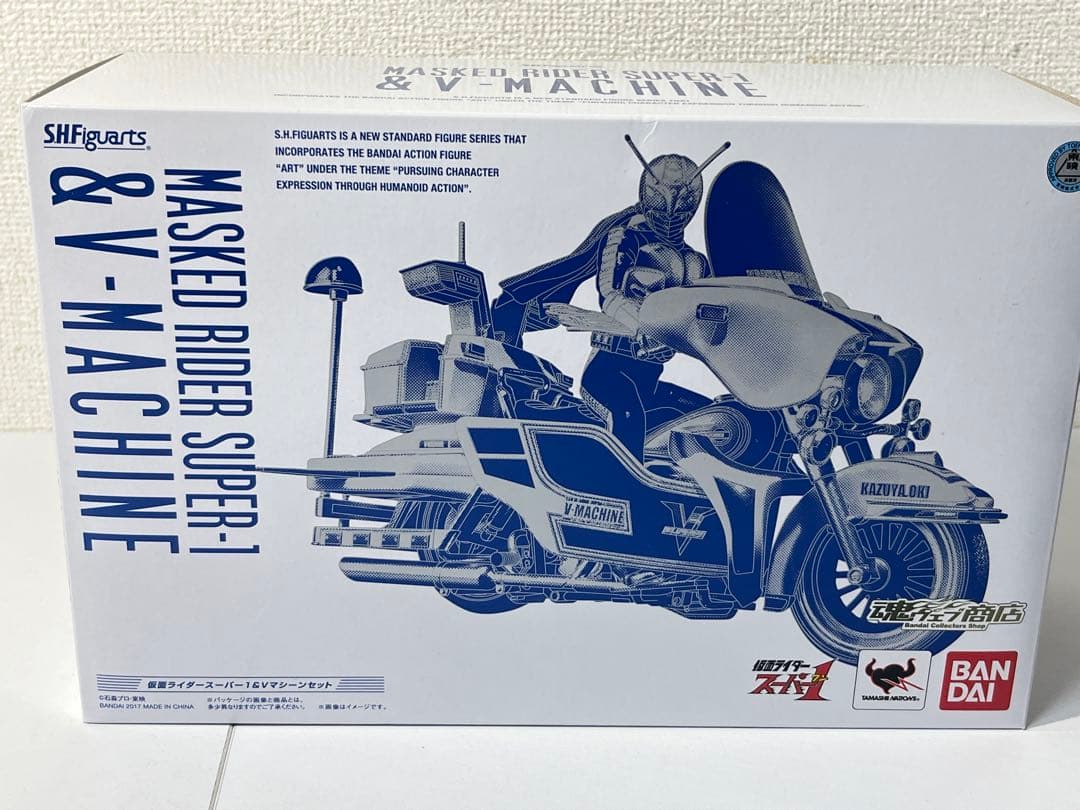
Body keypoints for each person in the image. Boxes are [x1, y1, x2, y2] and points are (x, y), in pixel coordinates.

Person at [491, 135, 730, 459]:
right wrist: (642, 326)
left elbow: (712, 316)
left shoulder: (697, 263)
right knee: (627, 419)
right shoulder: (625, 237)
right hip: (609, 373)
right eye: (663, 193)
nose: (672, 205)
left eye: (681, 195)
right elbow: (611, 293)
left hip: (650, 380)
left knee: (716, 421)